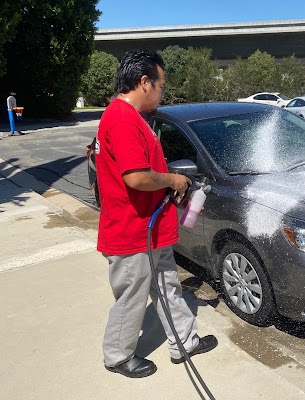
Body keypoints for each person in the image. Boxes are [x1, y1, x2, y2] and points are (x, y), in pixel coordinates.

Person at [95, 50, 217, 379]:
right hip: (130, 231)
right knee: (132, 297)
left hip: (148, 229)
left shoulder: (130, 117)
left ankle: (184, 342)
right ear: (144, 82)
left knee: (167, 286)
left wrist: (166, 190)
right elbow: (135, 177)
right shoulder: (122, 119)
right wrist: (173, 180)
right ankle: (117, 356)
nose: (162, 92)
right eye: (161, 85)